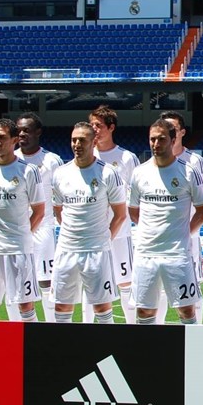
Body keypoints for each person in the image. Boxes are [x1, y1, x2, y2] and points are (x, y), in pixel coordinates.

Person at [128, 119, 203, 325]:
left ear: (173, 140)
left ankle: (191, 346)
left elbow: (202, 210)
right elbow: (133, 211)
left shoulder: (188, 171)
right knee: (144, 311)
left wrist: (184, 232)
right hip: (146, 253)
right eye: (152, 139)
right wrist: (152, 231)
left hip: (177, 254)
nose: (156, 144)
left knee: (186, 310)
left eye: (161, 139)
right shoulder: (139, 172)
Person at [51, 122, 127, 324]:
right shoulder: (60, 173)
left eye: (82, 140)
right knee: (62, 305)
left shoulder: (108, 173)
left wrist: (105, 238)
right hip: (66, 249)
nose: (77, 144)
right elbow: (58, 210)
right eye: (74, 140)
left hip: (96, 250)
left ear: (93, 142)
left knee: (101, 306)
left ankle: (105, 343)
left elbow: (120, 214)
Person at [0, 118, 44, 323]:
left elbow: (39, 211)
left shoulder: (28, 171)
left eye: (1, 137)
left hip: (18, 248)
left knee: (25, 304)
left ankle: (32, 342)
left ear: (14, 140)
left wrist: (21, 234)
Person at [89, 105, 139, 323]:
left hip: (120, 233)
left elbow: (137, 194)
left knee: (125, 283)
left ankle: (132, 329)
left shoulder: (126, 158)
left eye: (98, 125)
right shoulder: (86, 156)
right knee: (92, 283)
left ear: (111, 128)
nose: (94, 129)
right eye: (91, 125)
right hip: (92, 234)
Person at [158, 110, 203, 323]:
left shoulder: (195, 161)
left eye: (173, 128)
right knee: (159, 289)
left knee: (193, 286)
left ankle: (197, 333)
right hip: (161, 238)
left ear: (182, 132)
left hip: (188, 236)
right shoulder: (154, 161)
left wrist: (186, 232)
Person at [15, 112, 64, 322]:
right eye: (19, 130)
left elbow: (62, 195)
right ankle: (21, 328)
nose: (21, 134)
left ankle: (51, 327)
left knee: (47, 282)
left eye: (26, 130)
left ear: (38, 132)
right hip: (17, 231)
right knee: (17, 281)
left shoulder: (52, 161)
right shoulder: (11, 159)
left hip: (43, 228)